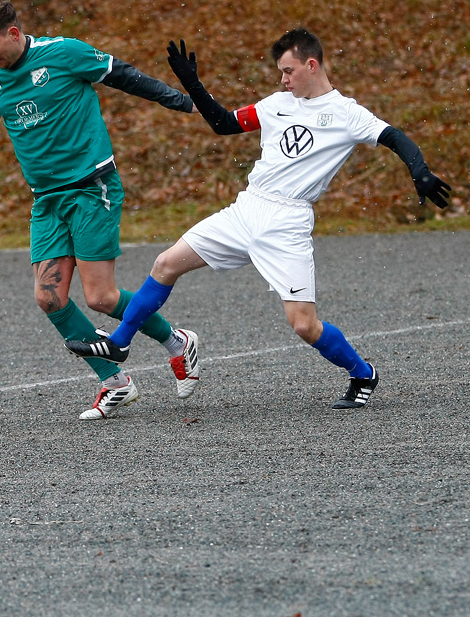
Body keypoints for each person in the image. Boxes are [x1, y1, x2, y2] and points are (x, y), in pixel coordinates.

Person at [66, 29, 451, 409]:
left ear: (311, 65)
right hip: (247, 209)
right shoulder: (276, 103)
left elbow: (394, 136)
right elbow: (223, 123)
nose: (283, 79)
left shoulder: (346, 114)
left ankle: (363, 373)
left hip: (288, 223)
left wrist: (420, 171)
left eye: (289, 71)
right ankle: (120, 342)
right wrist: (192, 83)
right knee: (166, 263)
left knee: (304, 325)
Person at [0, 0, 202, 420]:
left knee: (100, 297)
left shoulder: (64, 53)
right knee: (49, 299)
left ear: (13, 33)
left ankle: (178, 342)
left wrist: (183, 101)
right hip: (47, 201)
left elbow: (125, 76)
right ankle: (114, 380)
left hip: (91, 188)